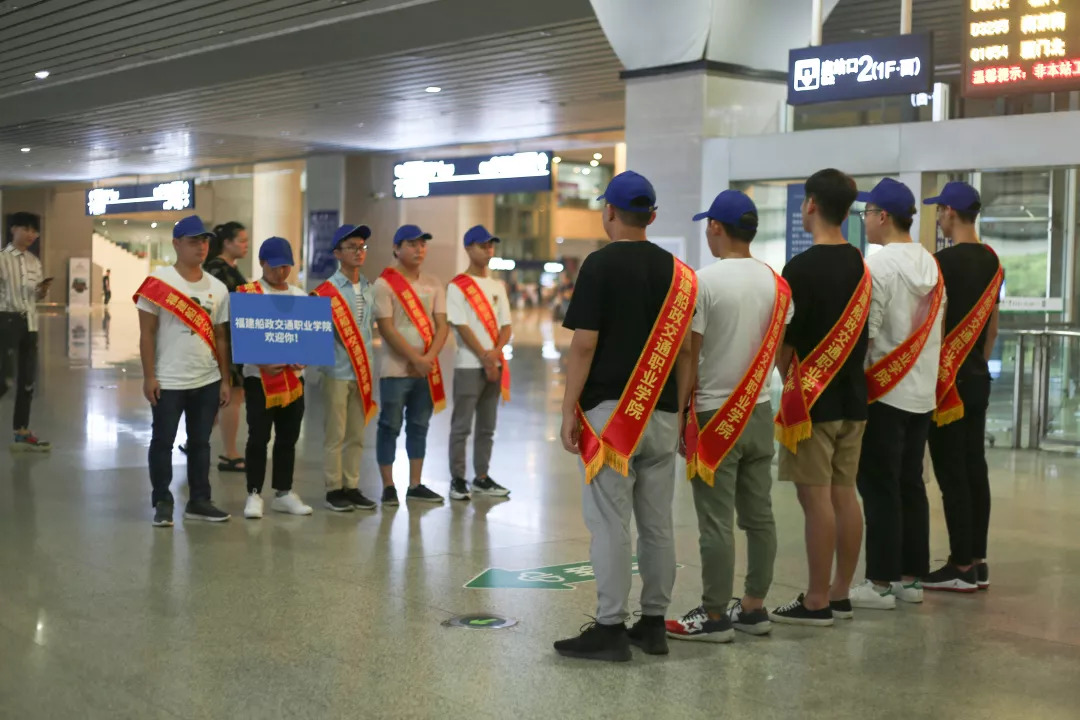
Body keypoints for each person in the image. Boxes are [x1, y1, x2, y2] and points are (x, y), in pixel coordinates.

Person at [554, 171, 696, 662]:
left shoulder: (599, 265)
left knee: (611, 523)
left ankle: (611, 627)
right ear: (651, 216)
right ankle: (653, 624)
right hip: (662, 413)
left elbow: (584, 344)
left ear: (609, 211)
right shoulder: (679, 273)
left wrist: (569, 407)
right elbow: (685, 352)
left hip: (613, 417)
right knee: (657, 524)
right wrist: (680, 411)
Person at [665, 191, 792, 643]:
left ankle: (715, 614)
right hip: (758, 411)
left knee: (715, 522)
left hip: (714, 417)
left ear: (716, 227)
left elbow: (689, 356)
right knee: (759, 517)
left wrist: (681, 416)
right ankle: (754, 608)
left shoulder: (703, 283)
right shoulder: (777, 285)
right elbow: (777, 353)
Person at [770, 169, 870, 627]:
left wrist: (793, 384)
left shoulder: (800, 268)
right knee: (845, 495)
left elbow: (785, 343)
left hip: (813, 404)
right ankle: (840, 592)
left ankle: (815, 600)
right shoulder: (861, 266)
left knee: (816, 501)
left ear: (810, 204)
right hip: (854, 399)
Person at [848, 179, 944, 611]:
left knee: (879, 486)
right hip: (922, 393)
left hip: (884, 392)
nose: (865, 221)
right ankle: (911, 578)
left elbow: (868, 334)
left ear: (882, 216)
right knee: (911, 484)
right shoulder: (931, 265)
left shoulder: (878, 266)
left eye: (866, 213)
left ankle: (880, 582)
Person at [922, 182, 1003, 593]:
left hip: (947, 385)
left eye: (939, 210)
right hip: (976, 379)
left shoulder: (941, 264)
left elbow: (935, 325)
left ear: (951, 212)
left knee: (952, 473)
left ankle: (960, 565)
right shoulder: (992, 261)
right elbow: (992, 328)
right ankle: (978, 561)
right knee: (975, 468)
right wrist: (977, 363)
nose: (938, 217)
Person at [135, 215, 232, 526]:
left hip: (207, 378)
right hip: (168, 379)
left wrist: (225, 379)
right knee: (162, 441)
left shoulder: (218, 288)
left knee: (201, 443)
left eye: (204, 241)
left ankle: (200, 500)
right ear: (176, 244)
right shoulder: (158, 283)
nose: (201, 247)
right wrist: (149, 376)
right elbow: (147, 333)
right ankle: (162, 500)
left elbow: (220, 336)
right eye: (193, 241)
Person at [373, 225, 449, 505]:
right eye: (412, 244)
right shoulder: (384, 284)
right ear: (396, 248)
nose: (419, 249)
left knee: (419, 425)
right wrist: (415, 359)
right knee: (389, 425)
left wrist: (427, 359)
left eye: (422, 244)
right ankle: (388, 485)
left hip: (426, 370)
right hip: (395, 369)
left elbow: (442, 326)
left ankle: (415, 484)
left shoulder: (434, 283)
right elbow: (386, 328)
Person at [237, 237, 312, 519]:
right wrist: (263, 363)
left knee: (288, 437)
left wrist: (304, 357)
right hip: (258, 379)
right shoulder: (248, 295)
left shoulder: (300, 297)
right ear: (262, 263)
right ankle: (254, 493)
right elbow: (240, 337)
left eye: (286, 267)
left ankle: (283, 492)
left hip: (293, 381)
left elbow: (308, 337)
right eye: (275, 266)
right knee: (258, 437)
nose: (281, 273)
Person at [313, 224, 379, 513]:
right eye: (352, 247)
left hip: (363, 372)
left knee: (357, 434)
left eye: (362, 247)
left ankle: (352, 486)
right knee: (335, 434)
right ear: (337, 253)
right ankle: (333, 488)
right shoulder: (326, 292)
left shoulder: (369, 288)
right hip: (337, 371)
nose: (359, 252)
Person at [446, 225, 513, 501]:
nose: (488, 250)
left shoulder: (497, 286)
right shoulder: (456, 286)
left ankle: (482, 477)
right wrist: (486, 357)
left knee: (487, 426)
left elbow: (506, 326)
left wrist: (495, 353)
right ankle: (458, 479)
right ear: (468, 248)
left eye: (490, 245)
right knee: (461, 426)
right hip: (468, 365)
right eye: (483, 245)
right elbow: (461, 326)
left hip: (494, 365)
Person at [0, 212, 51, 452]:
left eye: (34, 231)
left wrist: (41, 291)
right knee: (5, 379)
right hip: (6, 320)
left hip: (30, 323)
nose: (31, 235)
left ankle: (21, 431)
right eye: (26, 229)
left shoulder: (34, 262)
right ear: (13, 230)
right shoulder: (2, 259)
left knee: (27, 381)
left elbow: (35, 296)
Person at [201, 221, 250, 472]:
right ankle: (230, 453)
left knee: (224, 397)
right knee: (232, 395)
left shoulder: (230, 269)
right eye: (241, 240)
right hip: (225, 340)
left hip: (235, 338)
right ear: (227, 243)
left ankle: (196, 439)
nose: (246, 245)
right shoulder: (216, 270)